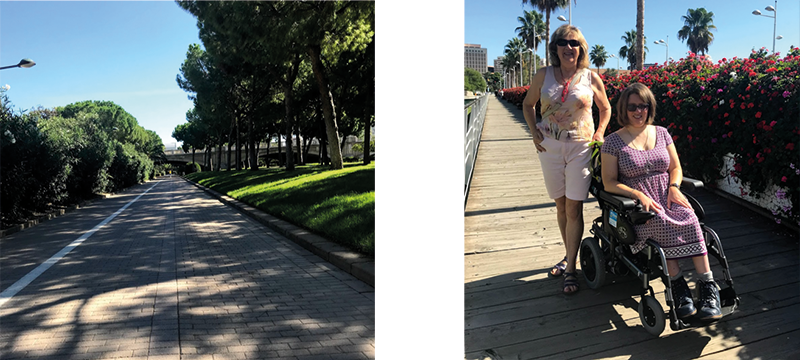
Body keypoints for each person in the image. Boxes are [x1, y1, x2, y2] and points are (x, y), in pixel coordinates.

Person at [600, 82, 722, 321]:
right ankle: (678, 287)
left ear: (649, 107)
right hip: (639, 204)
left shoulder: (662, 132)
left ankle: (708, 287)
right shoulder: (612, 142)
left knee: (691, 218)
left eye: (643, 106)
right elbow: (609, 183)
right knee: (661, 222)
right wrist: (638, 195)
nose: (638, 111)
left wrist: (674, 187)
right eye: (632, 106)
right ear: (623, 109)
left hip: (668, 193)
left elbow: (675, 167)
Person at [522, 24, 611, 294]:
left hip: (581, 149)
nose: (568, 47)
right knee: (560, 207)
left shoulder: (591, 77)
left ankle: (570, 269)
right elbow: (529, 104)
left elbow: (605, 107)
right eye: (563, 42)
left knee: (574, 208)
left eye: (574, 43)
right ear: (555, 47)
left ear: (581, 48)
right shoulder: (543, 75)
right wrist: (533, 132)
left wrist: (599, 132)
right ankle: (568, 255)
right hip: (549, 148)